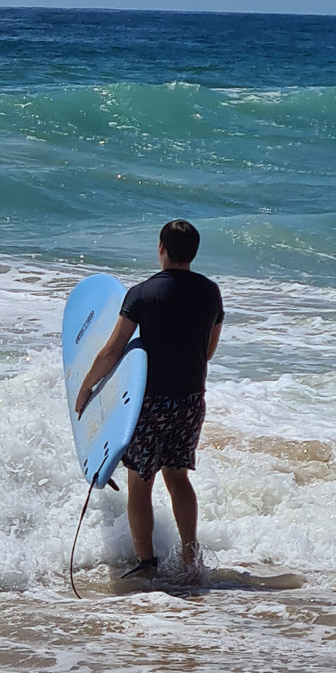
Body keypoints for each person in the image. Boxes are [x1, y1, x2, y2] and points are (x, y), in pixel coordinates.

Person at [75, 219, 224, 577]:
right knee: (178, 477)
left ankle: (147, 565)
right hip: (191, 399)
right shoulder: (210, 292)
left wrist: (86, 389)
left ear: (161, 248)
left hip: (149, 402)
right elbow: (209, 351)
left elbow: (113, 352)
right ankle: (190, 562)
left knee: (140, 483)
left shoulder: (141, 294)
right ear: (193, 252)